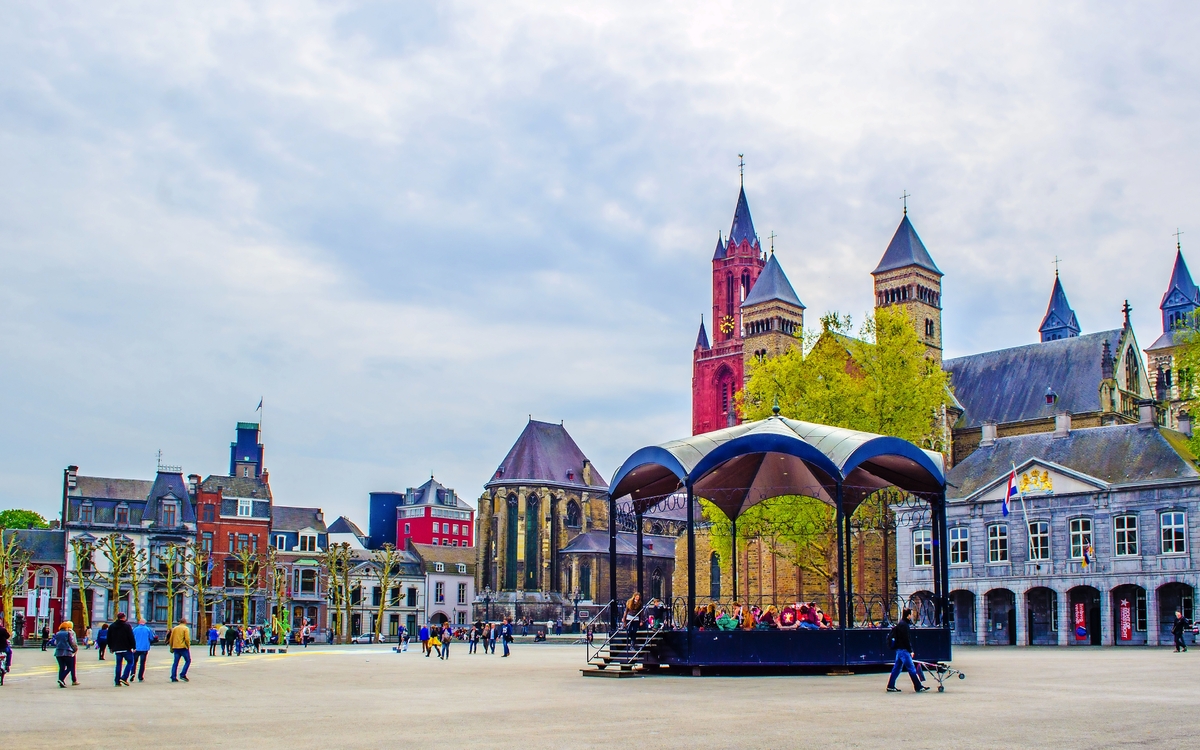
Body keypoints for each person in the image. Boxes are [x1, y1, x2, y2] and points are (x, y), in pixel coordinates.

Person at [886, 609, 929, 693]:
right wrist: (911, 650)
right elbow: (906, 640)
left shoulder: (901, 623)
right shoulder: (904, 625)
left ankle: (890, 686)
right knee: (911, 668)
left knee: (897, 668)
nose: (912, 616)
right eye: (911, 614)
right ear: (908, 615)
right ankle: (918, 687)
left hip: (899, 649)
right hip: (903, 650)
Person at [106, 612, 136, 687]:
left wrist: (111, 647)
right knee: (130, 662)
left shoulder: (112, 626)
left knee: (118, 664)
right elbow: (131, 637)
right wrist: (134, 646)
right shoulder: (127, 626)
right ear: (124, 617)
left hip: (117, 648)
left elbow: (109, 637)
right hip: (126, 648)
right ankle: (124, 677)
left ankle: (117, 681)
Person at [126, 617, 155, 682]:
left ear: (139, 622)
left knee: (134, 662)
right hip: (144, 648)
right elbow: (151, 638)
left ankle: (132, 673)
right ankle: (140, 677)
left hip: (136, 648)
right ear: (145, 623)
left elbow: (131, 638)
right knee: (142, 663)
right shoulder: (148, 629)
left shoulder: (135, 629)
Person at [53, 621, 79, 687]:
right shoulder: (68, 633)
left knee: (61, 667)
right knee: (70, 667)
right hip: (67, 652)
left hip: (58, 653)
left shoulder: (57, 633)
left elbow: (55, 643)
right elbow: (72, 642)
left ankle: (61, 682)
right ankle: (61, 679)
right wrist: (75, 649)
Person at [169, 616, 192, 682]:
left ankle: (173, 677)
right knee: (188, 661)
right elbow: (187, 639)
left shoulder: (175, 628)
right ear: (185, 622)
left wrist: (171, 647)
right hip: (183, 647)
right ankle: (182, 674)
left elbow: (171, 638)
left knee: (175, 663)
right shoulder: (186, 628)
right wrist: (188, 645)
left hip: (175, 647)